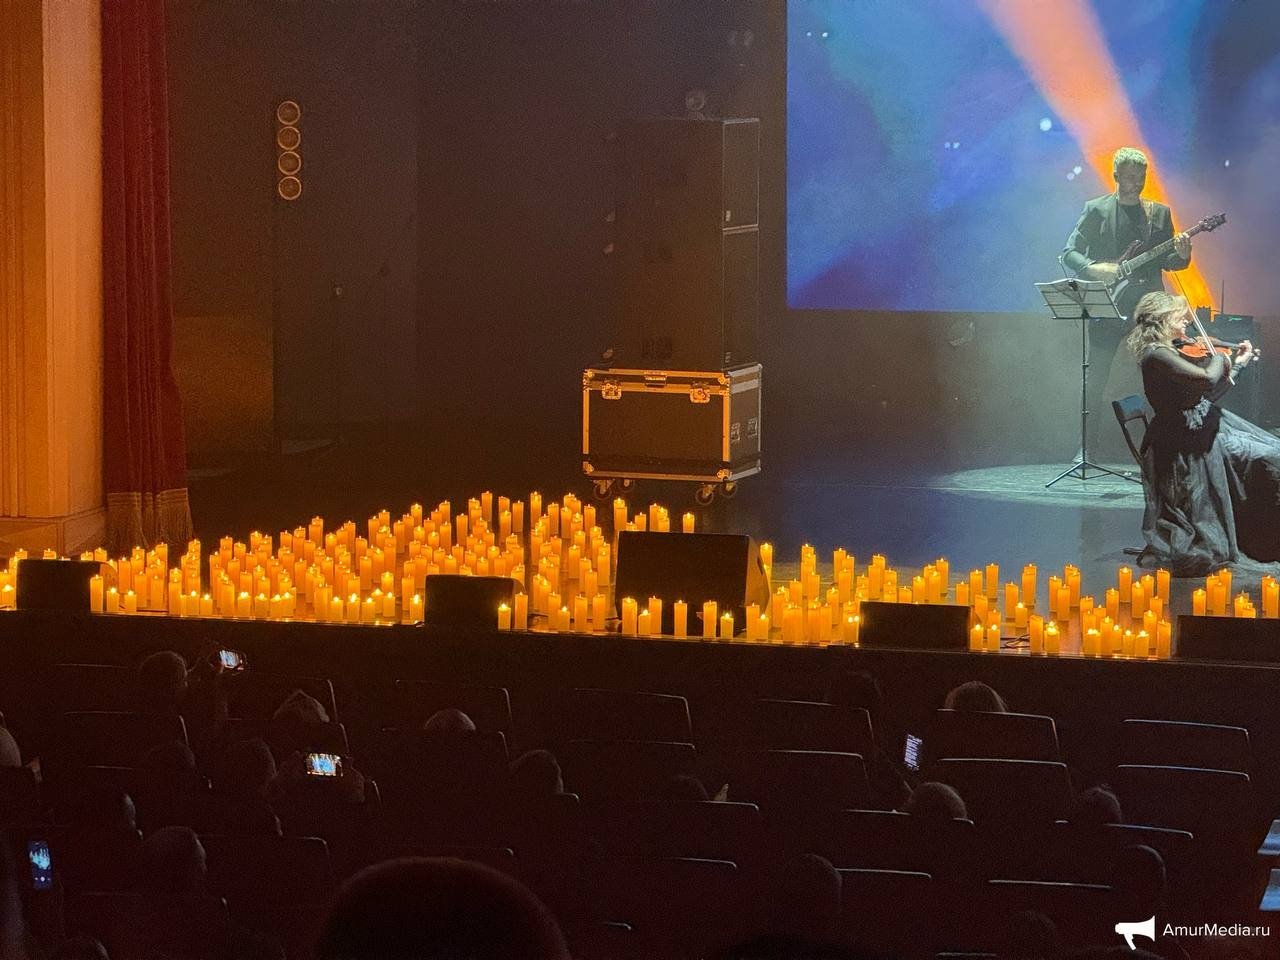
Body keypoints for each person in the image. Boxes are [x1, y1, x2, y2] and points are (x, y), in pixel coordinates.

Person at [1124, 291, 1274, 574]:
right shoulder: (1156, 354)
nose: (1187, 320)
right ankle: (1258, 537)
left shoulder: (1171, 350)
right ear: (1162, 318)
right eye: (1179, 315)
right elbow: (1206, 379)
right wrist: (1220, 357)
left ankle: (1260, 536)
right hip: (1181, 441)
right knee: (1266, 458)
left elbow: (1205, 397)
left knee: (1270, 452)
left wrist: (1238, 364)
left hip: (1199, 428)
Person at [1062, 147, 1193, 451]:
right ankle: (1086, 447)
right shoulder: (1096, 209)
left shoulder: (1159, 213)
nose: (1136, 183)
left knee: (1162, 375)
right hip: (1109, 303)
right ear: (1116, 176)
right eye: (1130, 177)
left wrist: (1183, 256)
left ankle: (1168, 446)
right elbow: (1069, 252)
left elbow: (1169, 260)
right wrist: (1093, 268)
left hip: (1148, 308)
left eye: (1141, 177)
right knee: (1095, 377)